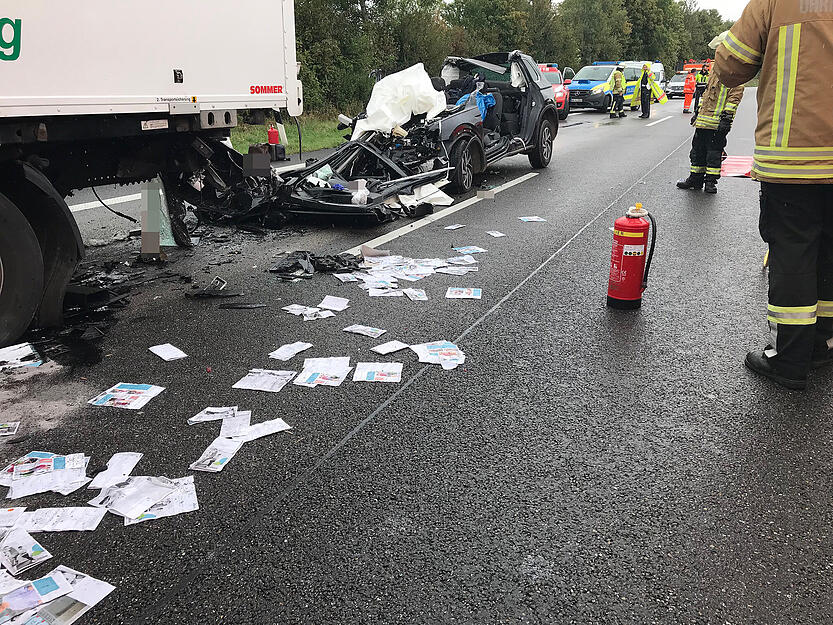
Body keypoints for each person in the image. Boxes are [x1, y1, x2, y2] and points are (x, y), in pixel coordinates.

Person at [714, 2, 833, 390]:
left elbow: (732, 65)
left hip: (794, 158)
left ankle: (791, 359)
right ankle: (823, 344)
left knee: (795, 252)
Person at [676, 67, 743, 194]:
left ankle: (710, 182)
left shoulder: (735, 73)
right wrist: (698, 111)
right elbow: (706, 94)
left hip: (717, 123)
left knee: (713, 154)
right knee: (697, 151)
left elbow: (734, 97)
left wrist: (727, 117)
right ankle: (695, 179)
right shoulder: (715, 71)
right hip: (702, 121)